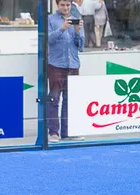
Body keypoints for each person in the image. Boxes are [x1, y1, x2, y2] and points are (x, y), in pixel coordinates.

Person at [47, 0, 85, 142]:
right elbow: (48, 40)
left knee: (70, 100)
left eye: (68, 5)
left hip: (73, 64)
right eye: (62, 5)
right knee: (54, 98)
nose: (65, 8)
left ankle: (67, 132)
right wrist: (62, 28)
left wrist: (77, 32)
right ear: (57, 5)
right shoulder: (50, 19)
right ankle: (53, 132)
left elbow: (81, 46)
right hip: (56, 64)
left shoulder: (77, 20)